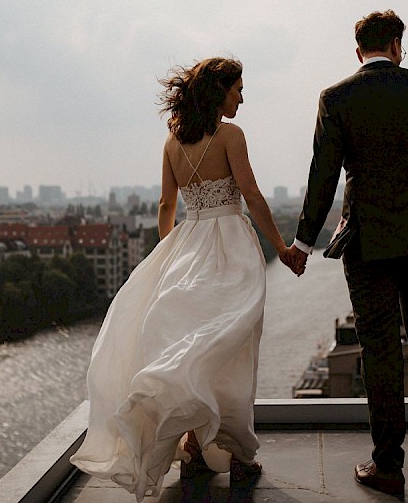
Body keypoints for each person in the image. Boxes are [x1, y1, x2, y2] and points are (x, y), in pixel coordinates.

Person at [70, 57, 302, 500]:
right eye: (237, 88)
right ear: (219, 91)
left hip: (189, 245)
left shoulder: (172, 141)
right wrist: (283, 247)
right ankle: (238, 456)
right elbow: (251, 195)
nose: (241, 96)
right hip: (232, 246)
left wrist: (169, 255)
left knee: (198, 345)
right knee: (232, 350)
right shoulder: (231, 135)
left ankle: (196, 446)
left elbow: (164, 206)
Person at [289, 10, 408, 497]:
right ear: (395, 45)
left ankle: (388, 466)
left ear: (358, 51)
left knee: (380, 347)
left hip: (367, 237)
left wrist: (304, 242)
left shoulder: (336, 98)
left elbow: (322, 177)